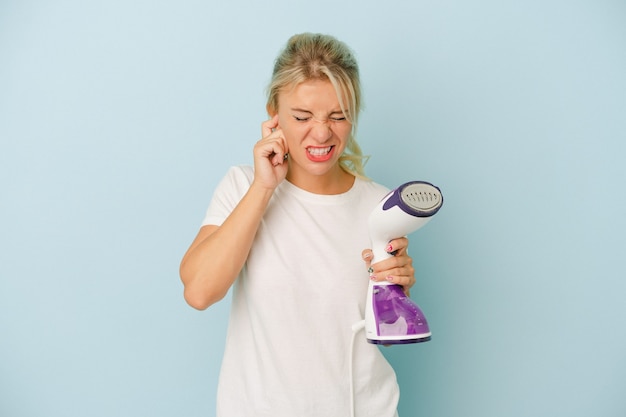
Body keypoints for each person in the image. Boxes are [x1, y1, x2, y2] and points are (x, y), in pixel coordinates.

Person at [180, 32, 417, 417]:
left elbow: (383, 336)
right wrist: (263, 187)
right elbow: (199, 292)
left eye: (338, 116)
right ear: (274, 112)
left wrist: (397, 292)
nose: (322, 133)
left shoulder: (380, 206)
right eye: (302, 116)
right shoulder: (242, 186)